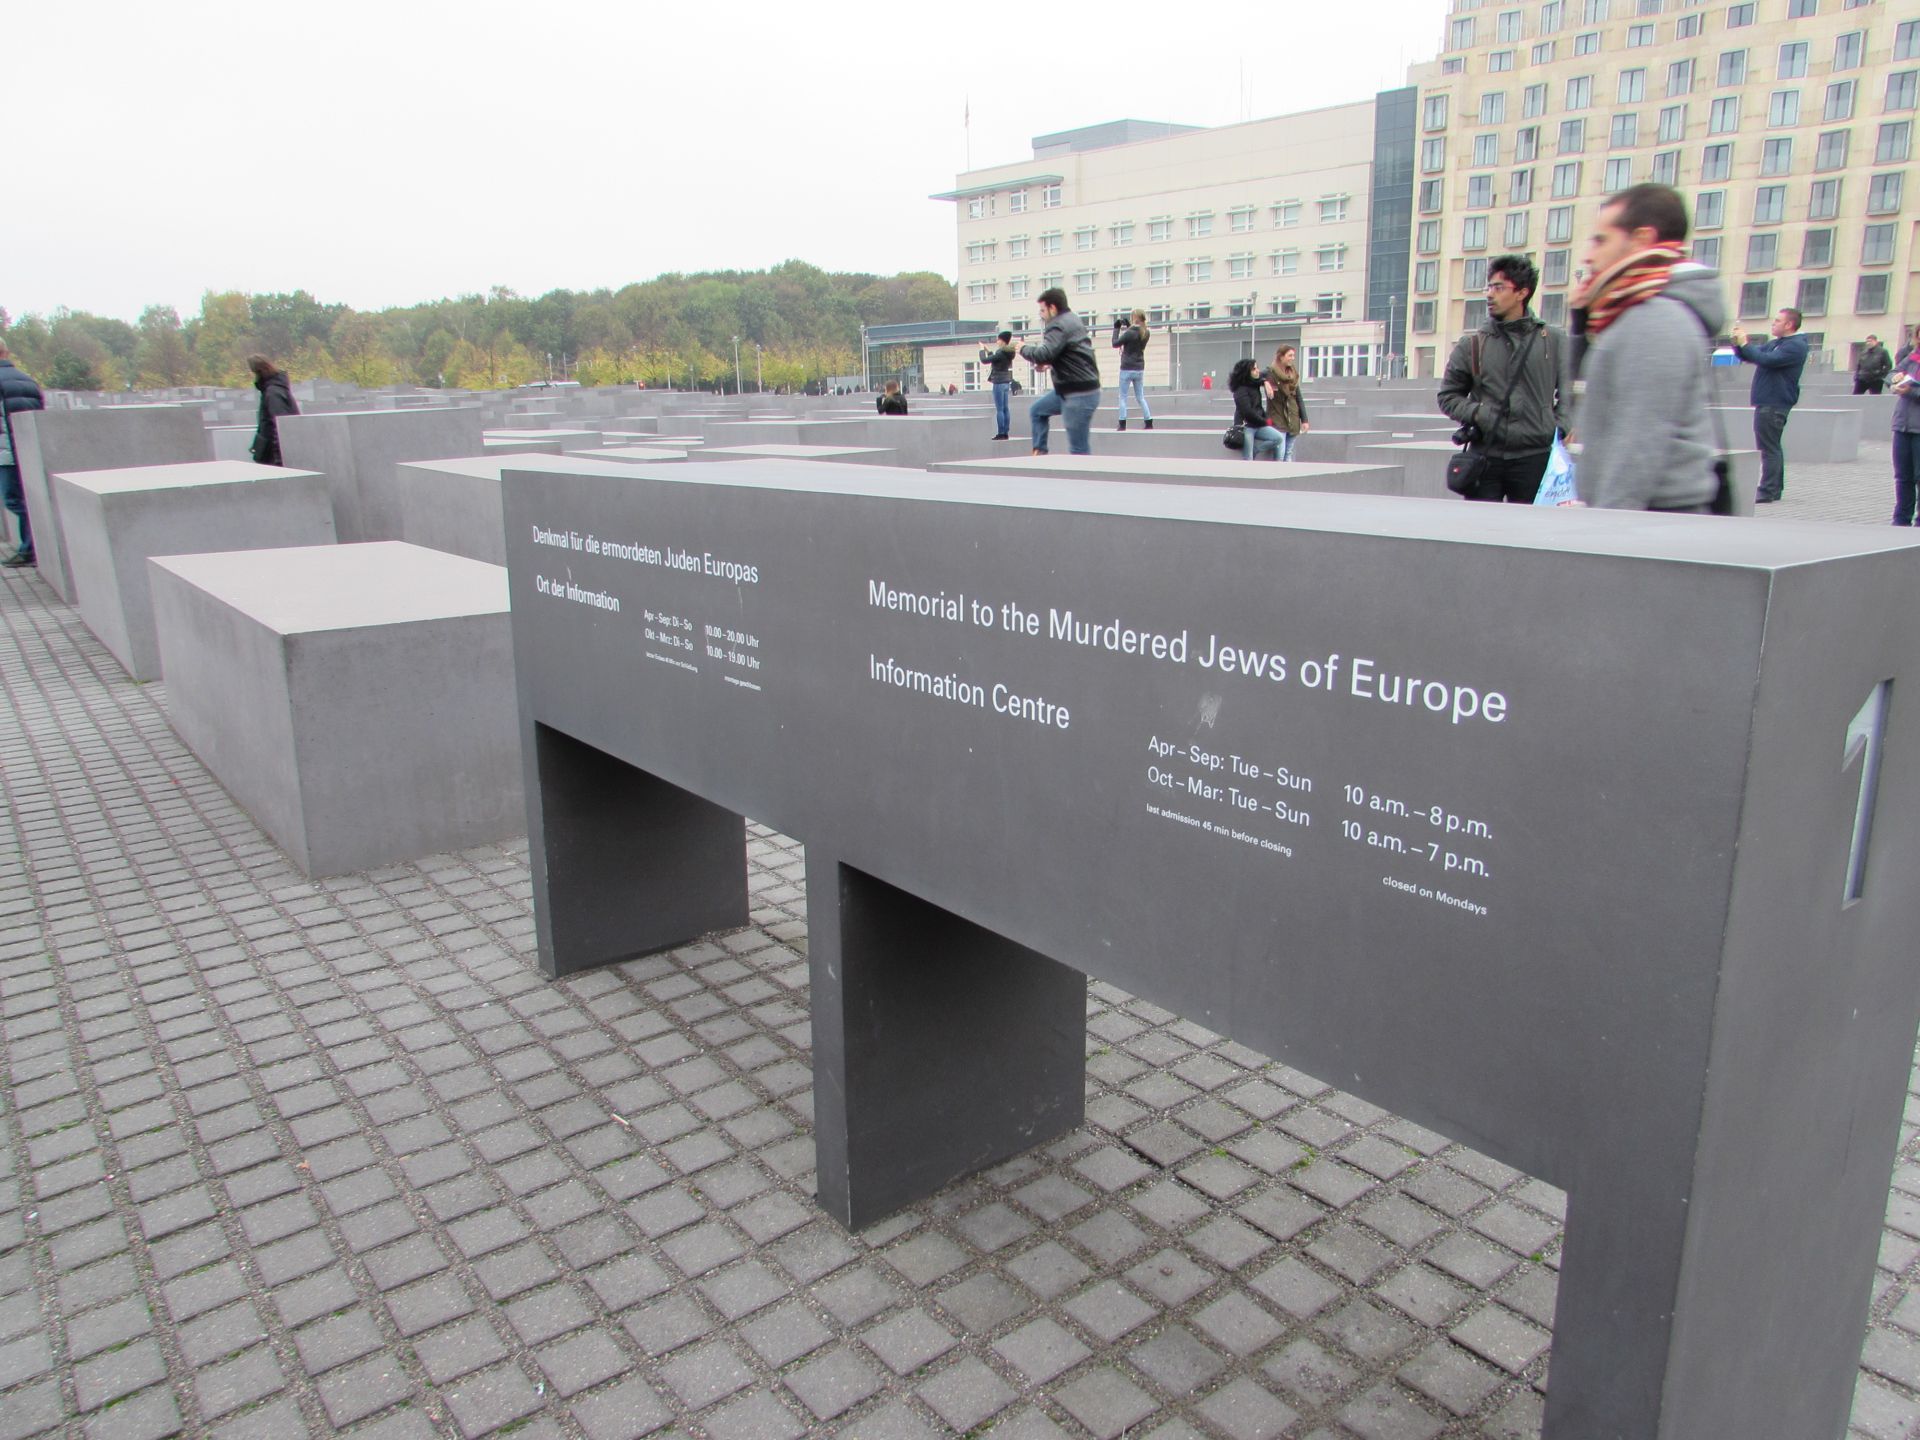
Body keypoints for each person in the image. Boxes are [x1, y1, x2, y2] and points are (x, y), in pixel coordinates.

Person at [1569, 182, 1727, 511]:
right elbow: (1585, 401)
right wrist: (1581, 322)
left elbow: (1639, 443)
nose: (1589, 254)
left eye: (1601, 240)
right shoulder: (1628, 312)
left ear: (1641, 239)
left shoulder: (1654, 319)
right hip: (1642, 519)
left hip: (1653, 523)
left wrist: (1602, 535)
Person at [1437, 253, 1569, 503]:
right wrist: (1479, 413)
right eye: (1489, 287)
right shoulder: (1472, 344)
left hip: (1536, 457)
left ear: (1522, 293)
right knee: (1480, 536)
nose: (1489, 294)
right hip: (1485, 456)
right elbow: (1447, 396)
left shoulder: (1553, 340)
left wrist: (1558, 426)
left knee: (1529, 537)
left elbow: (1570, 392)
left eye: (1499, 288)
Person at [1730, 307, 1808, 504]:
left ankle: (1767, 489)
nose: (1773, 323)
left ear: (1789, 325)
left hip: (1775, 401)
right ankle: (1773, 488)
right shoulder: (1777, 343)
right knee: (1771, 446)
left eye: (1777, 321)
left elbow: (1766, 359)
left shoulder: (1795, 346)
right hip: (1768, 400)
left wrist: (1746, 343)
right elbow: (1752, 355)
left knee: (1768, 448)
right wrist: (1738, 345)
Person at [1019, 288, 1101, 455]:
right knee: (1038, 411)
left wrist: (1023, 348)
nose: (1041, 315)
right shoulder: (1073, 320)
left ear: (1053, 308)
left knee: (1079, 449)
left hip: (1077, 394)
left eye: (1043, 310)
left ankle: (1084, 478)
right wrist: (1050, 364)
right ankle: (1039, 452)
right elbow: (1073, 354)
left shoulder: (1057, 325)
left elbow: (1044, 353)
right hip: (1077, 389)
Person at [0, 342, 46, 568]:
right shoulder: (27, 379)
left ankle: (30, 547)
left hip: (7, 451)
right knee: (25, 498)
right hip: (29, 449)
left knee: (14, 499)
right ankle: (30, 546)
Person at [248, 354, 299, 466]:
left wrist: (277, 461)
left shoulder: (273, 393)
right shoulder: (272, 389)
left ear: (258, 371)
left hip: (274, 456)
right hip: (271, 453)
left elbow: (280, 426)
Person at [1889, 344, 1920, 525]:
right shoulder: (1912, 357)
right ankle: (1901, 518)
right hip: (1902, 425)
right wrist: (1895, 379)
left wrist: (1912, 391)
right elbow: (1891, 373)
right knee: (1902, 475)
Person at [1264, 345, 1310, 460]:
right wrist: (1264, 382)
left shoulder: (1293, 374)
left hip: (1293, 419)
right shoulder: (1271, 373)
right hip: (1278, 419)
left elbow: (1298, 397)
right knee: (1280, 453)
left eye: (1293, 355)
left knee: (1288, 453)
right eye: (1290, 355)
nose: (1292, 358)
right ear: (1281, 357)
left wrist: (1304, 420)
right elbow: (1255, 376)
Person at [1229, 358, 1280, 460]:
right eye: (1254, 369)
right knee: (1248, 458)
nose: (1257, 370)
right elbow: (1248, 413)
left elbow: (1263, 375)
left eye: (1257, 368)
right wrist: (1266, 421)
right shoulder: (1240, 390)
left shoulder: (1254, 383)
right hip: (1246, 426)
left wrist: (1265, 382)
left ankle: (1256, 450)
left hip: (1258, 425)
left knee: (1278, 438)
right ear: (1246, 372)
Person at [1111, 310, 1153, 430]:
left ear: (1134, 318)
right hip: (1139, 368)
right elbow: (1135, 336)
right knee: (1140, 397)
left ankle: (1122, 423)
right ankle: (1148, 421)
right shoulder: (1146, 332)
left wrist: (1116, 328)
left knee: (1123, 397)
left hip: (1126, 368)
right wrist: (1129, 326)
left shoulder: (1129, 333)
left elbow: (1115, 343)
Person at [980, 330, 1016, 439]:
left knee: (999, 409)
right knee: (1005, 408)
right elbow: (995, 360)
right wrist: (988, 350)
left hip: (999, 383)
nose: (997, 341)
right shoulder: (1008, 353)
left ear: (1003, 341)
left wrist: (981, 350)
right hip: (1006, 383)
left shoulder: (1001, 353)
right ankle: (1005, 432)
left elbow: (984, 360)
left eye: (999, 339)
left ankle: (1001, 433)